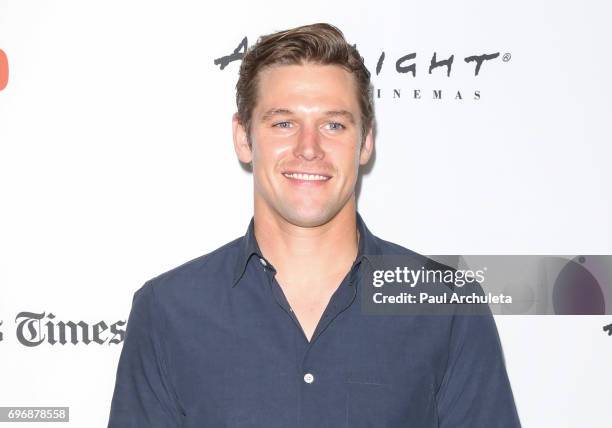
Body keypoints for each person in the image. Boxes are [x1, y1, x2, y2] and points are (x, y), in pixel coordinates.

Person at [108, 23, 521, 427]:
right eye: (283, 123)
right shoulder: (168, 311)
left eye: (333, 124)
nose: (309, 148)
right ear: (243, 137)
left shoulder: (444, 307)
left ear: (366, 142)